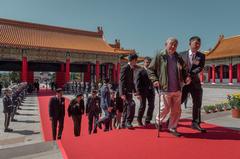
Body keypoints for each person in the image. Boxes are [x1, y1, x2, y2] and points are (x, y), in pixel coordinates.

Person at [148, 37, 189, 137]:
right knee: (165, 109)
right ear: (166, 44)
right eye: (171, 44)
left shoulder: (178, 57)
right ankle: (158, 121)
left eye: (175, 45)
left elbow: (184, 70)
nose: (173, 46)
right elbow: (150, 70)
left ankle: (172, 127)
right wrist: (155, 80)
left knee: (176, 110)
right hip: (165, 87)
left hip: (177, 88)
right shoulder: (160, 56)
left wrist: (186, 77)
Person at [180, 36, 206, 133]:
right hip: (184, 83)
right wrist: (184, 77)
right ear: (190, 44)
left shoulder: (201, 56)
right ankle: (172, 120)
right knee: (179, 102)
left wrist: (190, 75)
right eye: (196, 43)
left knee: (197, 103)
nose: (198, 45)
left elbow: (200, 67)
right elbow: (178, 68)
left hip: (195, 83)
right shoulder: (181, 55)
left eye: (199, 43)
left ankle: (195, 123)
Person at [119, 53, 138, 128]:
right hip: (125, 91)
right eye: (136, 60)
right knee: (131, 105)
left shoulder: (131, 68)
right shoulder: (125, 68)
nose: (136, 62)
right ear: (133, 60)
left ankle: (123, 124)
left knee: (126, 107)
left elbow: (131, 81)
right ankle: (128, 122)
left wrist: (135, 91)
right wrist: (122, 93)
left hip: (129, 91)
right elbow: (121, 81)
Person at [136, 57, 155, 126]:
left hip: (151, 91)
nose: (148, 64)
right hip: (143, 91)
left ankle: (148, 120)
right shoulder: (140, 71)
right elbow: (137, 83)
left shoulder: (152, 71)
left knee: (152, 106)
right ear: (144, 63)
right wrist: (138, 93)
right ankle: (139, 120)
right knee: (142, 106)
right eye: (147, 62)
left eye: (149, 62)